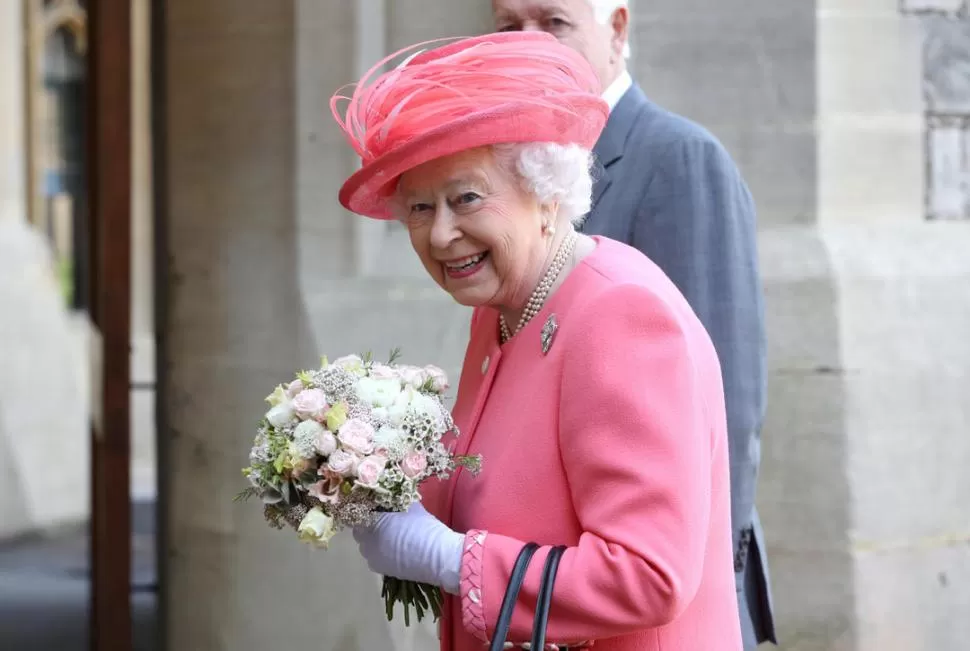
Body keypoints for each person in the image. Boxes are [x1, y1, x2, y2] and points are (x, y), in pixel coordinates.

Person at [334, 32, 743, 650]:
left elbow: (648, 575)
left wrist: (448, 559)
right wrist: (366, 471)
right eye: (419, 209)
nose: (442, 234)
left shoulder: (619, 314)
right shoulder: (502, 311)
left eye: (465, 198)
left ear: (545, 193)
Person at [489, 1, 776, 648]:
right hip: (555, 598)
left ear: (617, 29)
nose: (529, 45)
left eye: (554, 22)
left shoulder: (678, 159)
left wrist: (703, 608)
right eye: (509, 26)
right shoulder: (516, 170)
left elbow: (723, 406)